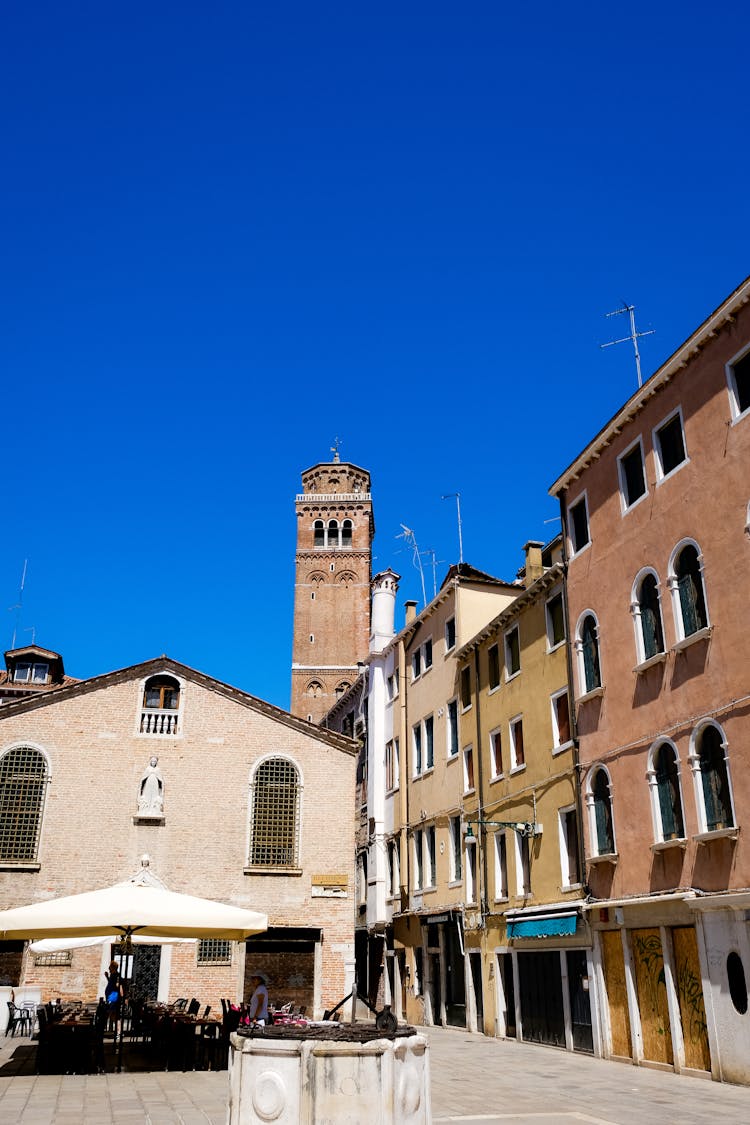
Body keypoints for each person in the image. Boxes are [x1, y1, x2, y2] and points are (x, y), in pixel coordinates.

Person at [104, 960, 123, 1030]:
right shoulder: (112, 975)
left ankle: (116, 1030)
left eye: (110, 967)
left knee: (111, 1012)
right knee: (112, 1014)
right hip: (110, 995)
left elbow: (117, 986)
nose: (109, 969)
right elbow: (111, 983)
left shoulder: (117, 975)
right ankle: (115, 1030)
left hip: (113, 995)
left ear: (113, 968)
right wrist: (107, 977)